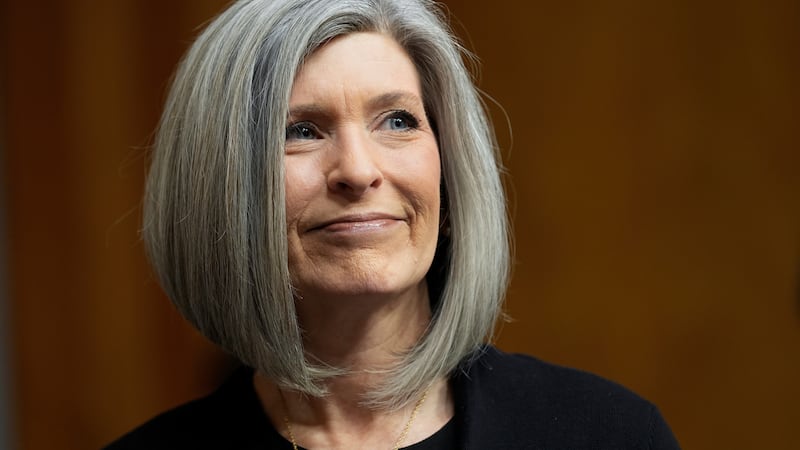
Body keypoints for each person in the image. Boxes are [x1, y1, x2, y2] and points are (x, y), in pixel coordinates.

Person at [106, 0, 680, 448]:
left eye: (397, 120)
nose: (357, 170)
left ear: (449, 181)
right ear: (222, 194)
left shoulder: (607, 435)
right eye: (301, 130)